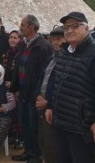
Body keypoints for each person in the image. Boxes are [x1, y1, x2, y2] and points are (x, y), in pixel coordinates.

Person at [45, 12, 95, 163]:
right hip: (60, 121)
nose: (69, 30)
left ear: (87, 29)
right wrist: (50, 106)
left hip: (81, 126)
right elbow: (57, 82)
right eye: (66, 27)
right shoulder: (65, 51)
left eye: (75, 26)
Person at [11, 14, 53, 163]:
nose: (20, 27)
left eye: (22, 25)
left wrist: (37, 94)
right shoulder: (24, 43)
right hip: (22, 92)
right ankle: (28, 152)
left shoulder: (43, 47)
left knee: (35, 126)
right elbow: (18, 67)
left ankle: (35, 156)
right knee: (25, 124)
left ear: (31, 27)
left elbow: (44, 74)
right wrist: (16, 88)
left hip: (34, 95)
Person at [35, 26, 64, 163]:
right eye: (54, 40)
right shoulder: (51, 58)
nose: (55, 42)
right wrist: (38, 95)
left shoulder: (67, 61)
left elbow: (64, 89)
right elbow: (40, 79)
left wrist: (49, 103)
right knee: (44, 142)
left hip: (55, 110)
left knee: (54, 147)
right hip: (43, 107)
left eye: (59, 39)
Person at [2, 30, 23, 149]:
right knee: (11, 113)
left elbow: (20, 72)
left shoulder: (21, 53)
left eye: (15, 37)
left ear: (20, 39)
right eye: (11, 37)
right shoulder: (7, 53)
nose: (12, 40)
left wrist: (13, 84)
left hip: (17, 87)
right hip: (7, 87)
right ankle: (12, 135)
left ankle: (20, 138)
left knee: (19, 114)